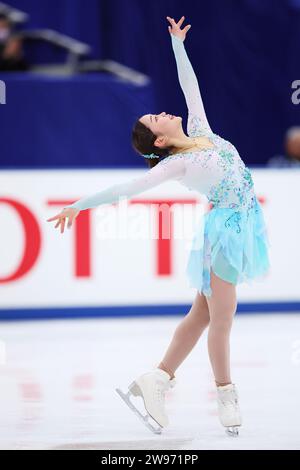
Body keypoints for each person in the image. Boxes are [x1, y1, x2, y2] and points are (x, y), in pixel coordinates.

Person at [47, 16, 270, 437]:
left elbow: (191, 87)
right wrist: (78, 204)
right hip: (223, 233)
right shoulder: (177, 164)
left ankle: (157, 378)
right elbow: (126, 188)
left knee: (202, 314)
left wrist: (177, 45)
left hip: (238, 226)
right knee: (222, 316)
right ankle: (225, 394)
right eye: (156, 118)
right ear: (160, 141)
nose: (164, 112)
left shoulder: (201, 130)